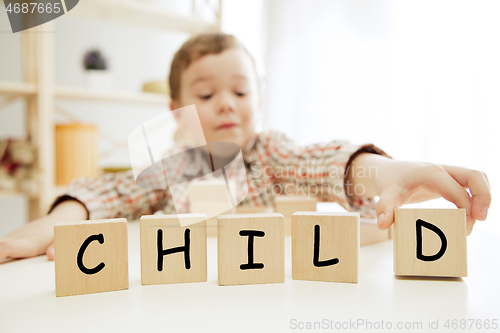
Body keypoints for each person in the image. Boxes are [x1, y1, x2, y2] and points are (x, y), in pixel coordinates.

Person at [0, 33, 491, 262]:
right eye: (207, 95)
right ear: (176, 109)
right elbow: (105, 193)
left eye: (240, 92)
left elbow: (328, 163)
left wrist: (393, 171)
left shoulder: (271, 155)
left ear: (259, 98)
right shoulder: (172, 170)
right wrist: (52, 224)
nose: (226, 105)